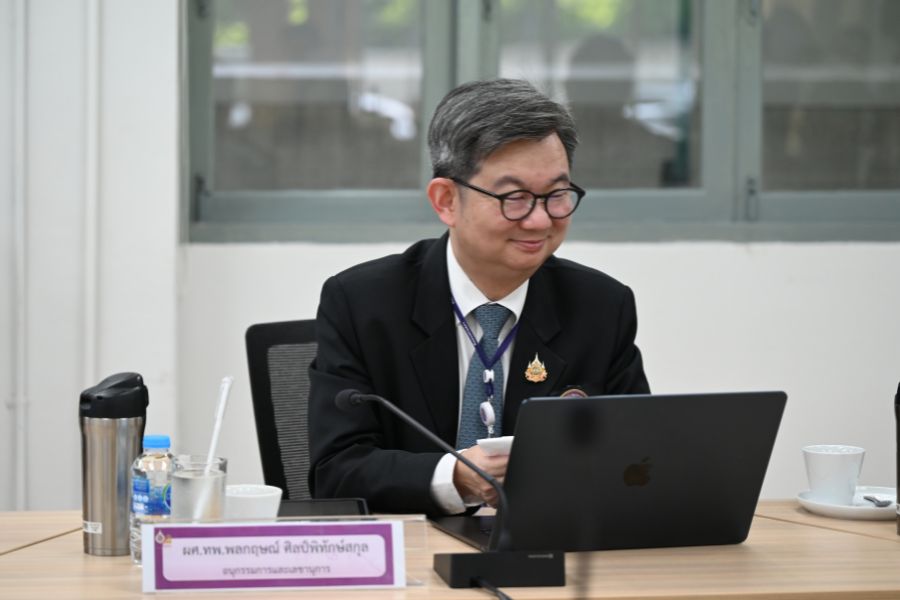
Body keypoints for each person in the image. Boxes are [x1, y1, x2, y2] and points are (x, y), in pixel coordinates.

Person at [308, 78, 649, 516]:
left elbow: (636, 464)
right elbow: (336, 472)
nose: (539, 220)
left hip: (546, 544)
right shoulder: (362, 303)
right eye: (515, 198)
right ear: (446, 200)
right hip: (413, 547)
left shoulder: (601, 307)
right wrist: (454, 476)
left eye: (557, 195)